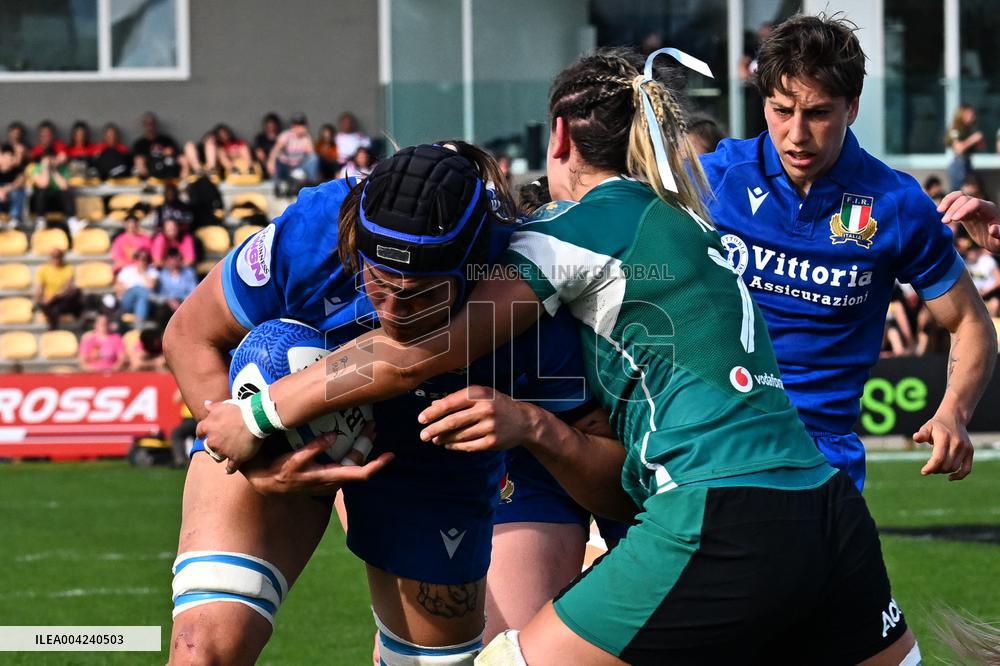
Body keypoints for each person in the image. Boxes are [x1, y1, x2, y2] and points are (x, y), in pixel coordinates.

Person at [199, 47, 921, 664]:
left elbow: (418, 352)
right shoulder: (685, 222)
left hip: (717, 509)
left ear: (559, 137)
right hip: (825, 505)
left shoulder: (572, 231)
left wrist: (259, 413)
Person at [162, 143, 607, 665]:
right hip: (281, 429)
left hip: (433, 465)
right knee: (200, 652)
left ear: (472, 269)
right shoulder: (317, 232)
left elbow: (611, 481)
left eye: (420, 295)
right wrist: (252, 460)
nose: (394, 311)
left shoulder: (523, 284)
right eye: (377, 283)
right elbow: (188, 337)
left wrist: (534, 426)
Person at [700, 14, 997, 489]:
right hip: (713, 442)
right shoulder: (711, 179)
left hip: (822, 458)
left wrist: (952, 413)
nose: (796, 134)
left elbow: (969, 322)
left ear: (852, 106)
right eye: (780, 111)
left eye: (817, 113)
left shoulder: (896, 204)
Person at [34, 248, 82, 330]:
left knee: (76, 292)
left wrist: (53, 297)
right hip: (49, 302)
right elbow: (40, 288)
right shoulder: (43, 269)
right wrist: (38, 299)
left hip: (61, 299)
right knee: (51, 308)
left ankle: (53, 327)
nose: (56, 259)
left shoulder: (68, 268)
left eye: (58, 256)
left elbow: (66, 287)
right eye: (54, 256)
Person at [267, 112, 319, 185]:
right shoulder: (286, 135)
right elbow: (275, 150)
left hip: (298, 168)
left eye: (301, 124)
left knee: (314, 158)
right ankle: (277, 184)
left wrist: (307, 137)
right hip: (285, 167)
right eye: (296, 124)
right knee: (277, 161)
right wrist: (271, 163)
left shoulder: (306, 138)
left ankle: (311, 184)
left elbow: (311, 155)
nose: (298, 127)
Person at [132, 112, 185, 180]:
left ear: (155, 125)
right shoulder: (139, 144)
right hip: (151, 171)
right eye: (147, 124)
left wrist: (171, 153)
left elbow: (177, 155)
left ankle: (182, 184)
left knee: (182, 160)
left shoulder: (166, 140)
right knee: (139, 162)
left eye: (151, 124)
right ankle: (147, 185)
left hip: (168, 168)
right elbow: (138, 159)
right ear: (144, 125)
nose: (150, 127)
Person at [945, 103, 984, 191]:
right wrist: (973, 139)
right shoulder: (956, 129)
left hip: (967, 163)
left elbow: (980, 147)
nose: (972, 116)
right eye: (969, 113)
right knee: (959, 194)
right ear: (962, 114)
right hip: (959, 165)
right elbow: (958, 149)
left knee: (970, 193)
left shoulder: (969, 128)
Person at [115, 249, 158, 328]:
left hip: (146, 301)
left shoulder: (152, 271)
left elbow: (151, 286)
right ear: (135, 259)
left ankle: (139, 323)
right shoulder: (127, 270)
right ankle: (158, 299)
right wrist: (131, 289)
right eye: (139, 258)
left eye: (145, 259)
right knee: (137, 288)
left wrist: (143, 272)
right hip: (127, 300)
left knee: (142, 298)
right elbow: (118, 288)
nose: (142, 261)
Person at [155, 247, 198, 316]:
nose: (173, 261)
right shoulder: (162, 274)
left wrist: (181, 302)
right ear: (167, 260)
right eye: (171, 258)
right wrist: (169, 301)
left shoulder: (189, 273)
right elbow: (160, 293)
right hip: (167, 304)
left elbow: (193, 291)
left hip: (184, 302)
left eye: (176, 258)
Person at [0, 143, 27, 228]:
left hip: (11, 199)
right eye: (6, 156)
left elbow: (19, 183)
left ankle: (14, 219)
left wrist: (3, 190)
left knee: (18, 191)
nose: (10, 159)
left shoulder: (18, 170)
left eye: (12, 156)